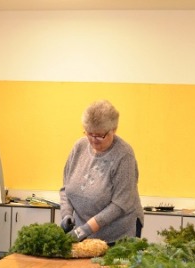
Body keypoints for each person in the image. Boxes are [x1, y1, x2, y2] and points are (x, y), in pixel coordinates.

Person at [59, 99, 144, 244]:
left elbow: (120, 204)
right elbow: (66, 189)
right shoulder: (79, 147)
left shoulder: (124, 155)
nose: (93, 140)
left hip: (116, 235)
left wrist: (84, 230)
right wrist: (66, 214)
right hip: (84, 234)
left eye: (99, 135)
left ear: (114, 130)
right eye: (89, 133)